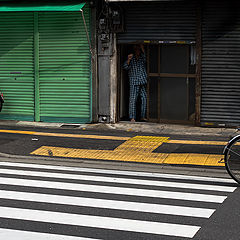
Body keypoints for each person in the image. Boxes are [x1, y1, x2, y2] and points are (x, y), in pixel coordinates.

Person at [123, 44, 147, 122]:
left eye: (138, 49)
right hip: (134, 81)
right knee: (133, 100)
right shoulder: (131, 58)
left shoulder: (142, 57)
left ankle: (143, 116)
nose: (138, 51)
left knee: (144, 98)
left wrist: (142, 48)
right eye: (136, 49)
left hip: (142, 80)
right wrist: (128, 60)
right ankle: (132, 117)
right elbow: (125, 67)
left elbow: (146, 59)